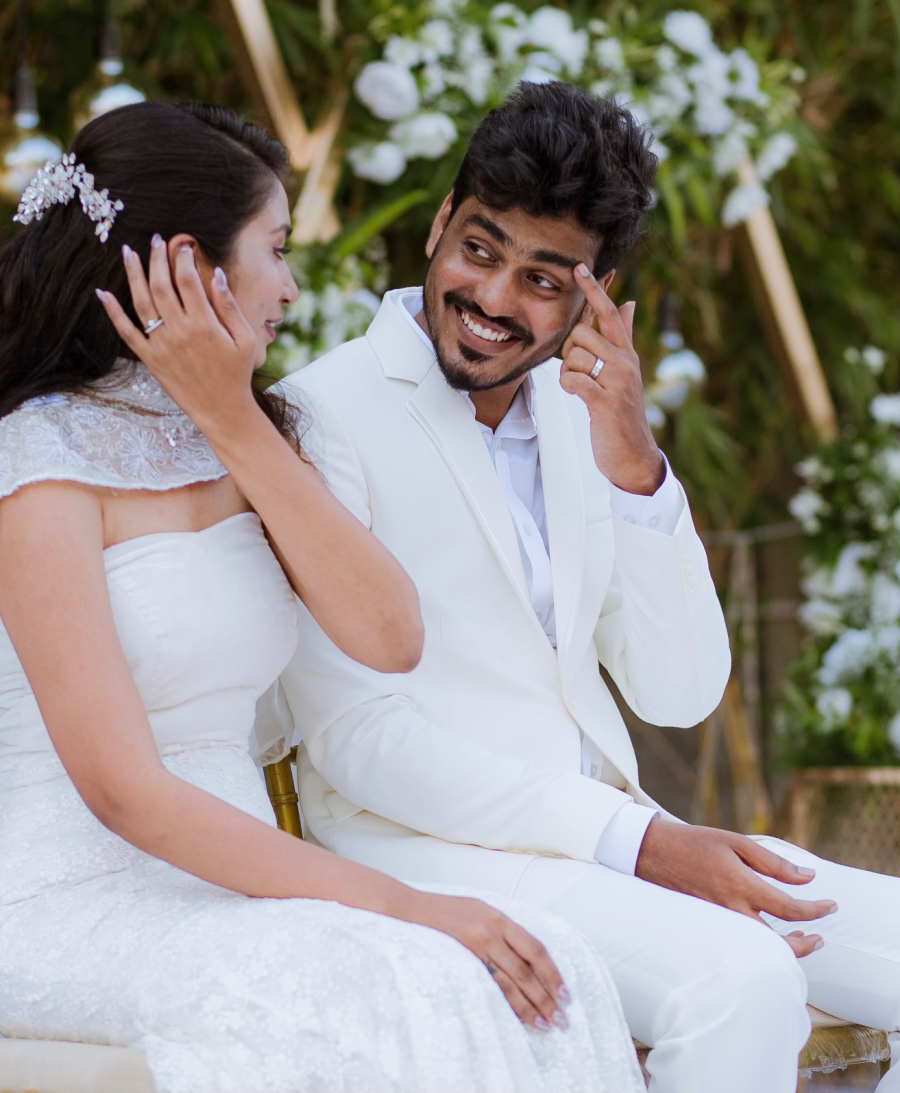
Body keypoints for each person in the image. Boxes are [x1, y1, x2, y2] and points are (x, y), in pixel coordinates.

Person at [0, 100, 645, 1093]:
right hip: (81, 901)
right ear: (188, 265)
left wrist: (229, 416)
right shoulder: (38, 462)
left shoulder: (252, 433)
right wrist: (399, 901)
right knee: (394, 975)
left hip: (237, 893)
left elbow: (390, 633)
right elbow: (122, 789)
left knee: (540, 967)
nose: (292, 287)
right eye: (277, 247)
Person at [279, 81, 900, 1093]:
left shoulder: (583, 421)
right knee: (739, 979)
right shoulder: (323, 415)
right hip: (429, 848)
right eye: (478, 250)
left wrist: (636, 467)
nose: (491, 299)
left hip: (606, 846)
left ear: (598, 291)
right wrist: (644, 844)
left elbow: (679, 692)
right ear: (439, 223)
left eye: (542, 278)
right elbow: (358, 740)